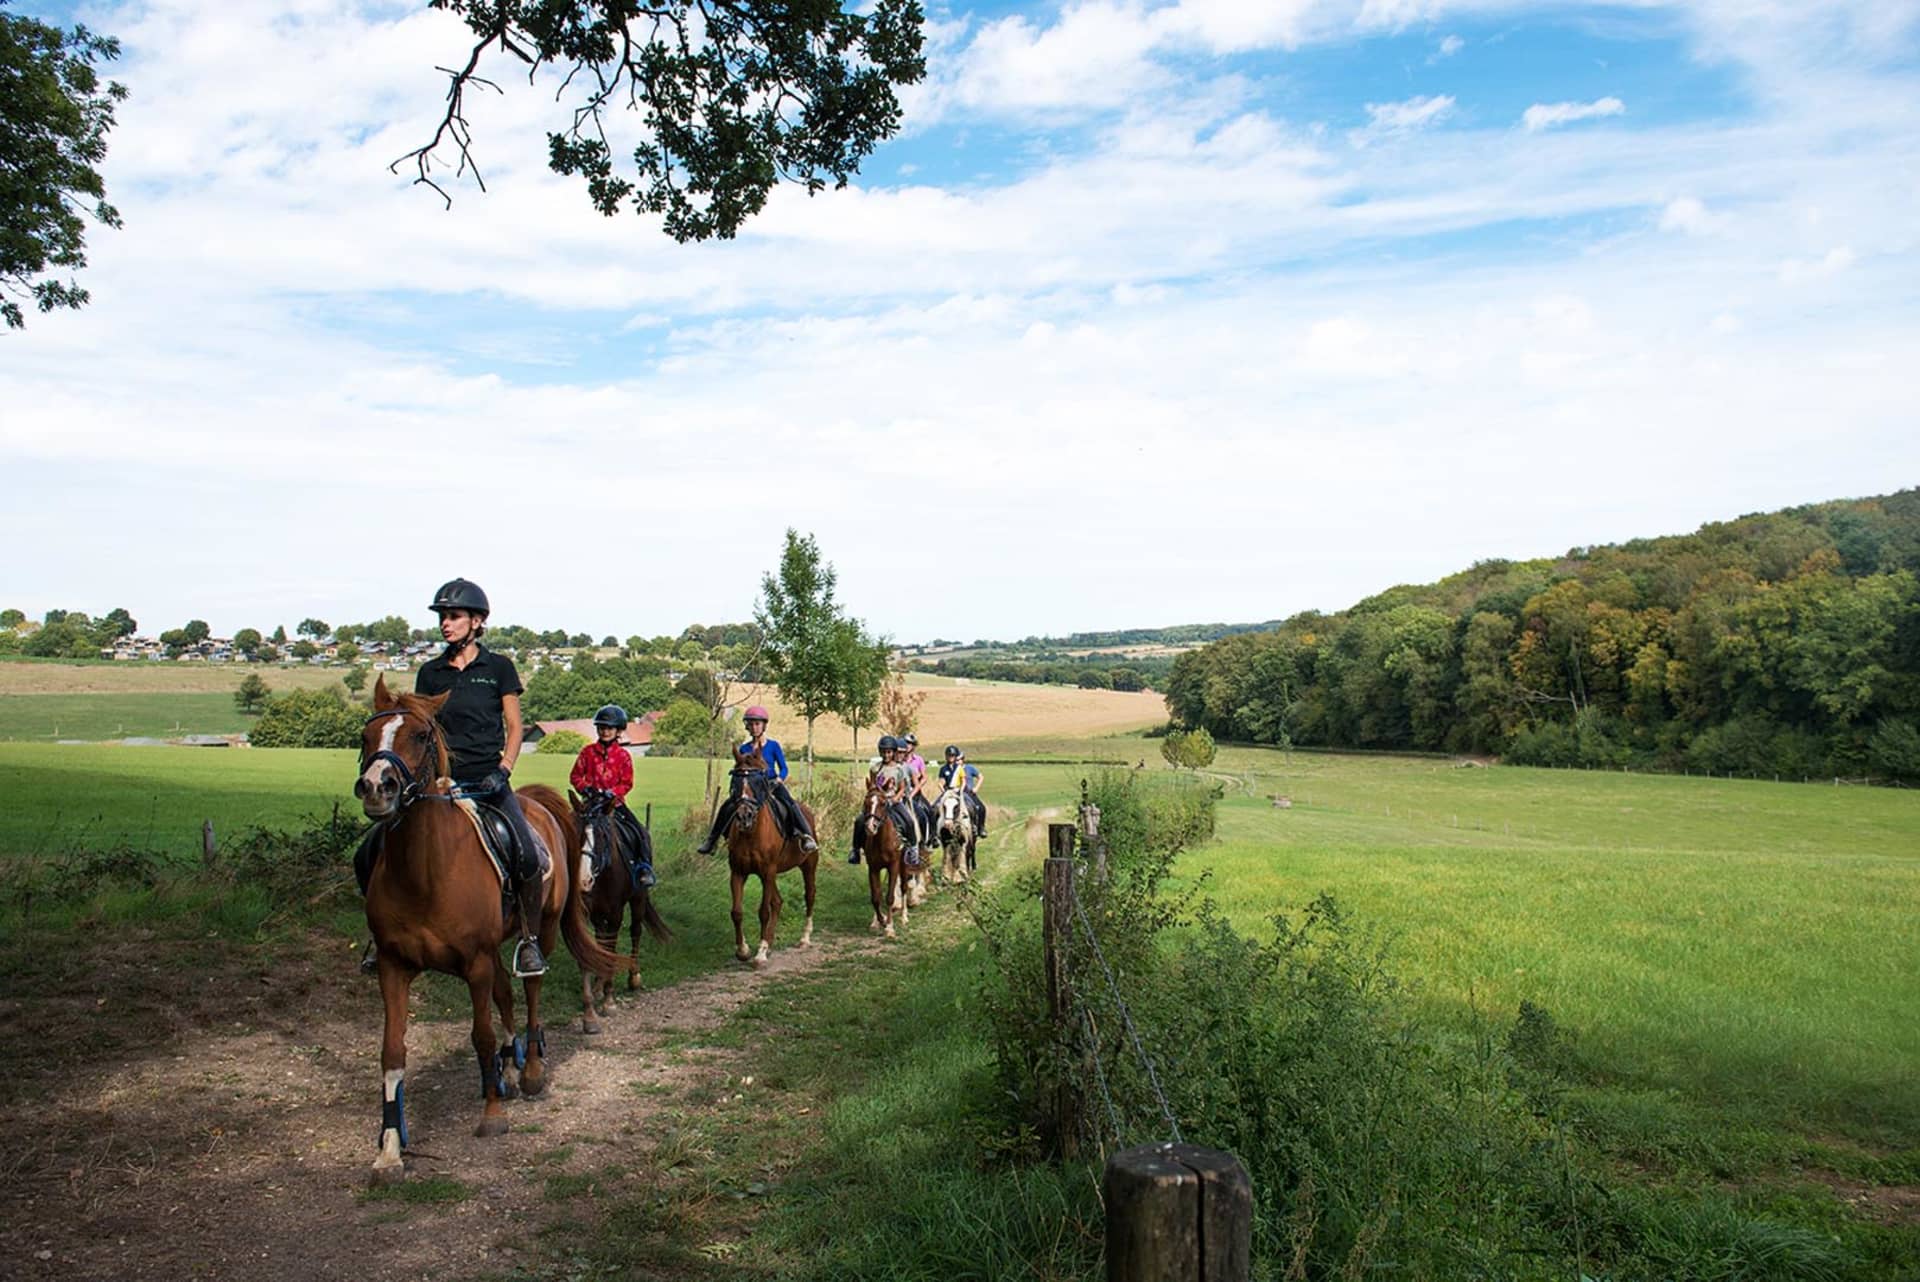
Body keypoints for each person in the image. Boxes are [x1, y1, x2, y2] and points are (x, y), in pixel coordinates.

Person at [413, 577, 550, 978]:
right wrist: (434, 777)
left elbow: (514, 727)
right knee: (377, 849)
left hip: (488, 781)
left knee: (526, 854)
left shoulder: (499, 669)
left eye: (453, 616)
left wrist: (503, 771)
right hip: (442, 785)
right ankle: (385, 933)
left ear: (477, 621)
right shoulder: (431, 673)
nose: (445, 624)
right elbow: (424, 729)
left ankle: (528, 939)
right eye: (442, 617)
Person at [696, 706, 819, 855]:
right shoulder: (744, 748)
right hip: (752, 787)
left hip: (772, 784)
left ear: (764, 725)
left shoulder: (773, 746)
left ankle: (806, 836)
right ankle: (712, 840)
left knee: (790, 803)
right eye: (751, 724)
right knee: (727, 805)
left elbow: (784, 768)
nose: (754, 727)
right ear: (747, 726)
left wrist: (779, 780)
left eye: (757, 724)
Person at [569, 703, 655, 889]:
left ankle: (644, 869)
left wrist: (612, 793)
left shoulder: (623, 756)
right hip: (590, 805)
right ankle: (566, 869)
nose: (605, 731)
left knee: (639, 832)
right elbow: (575, 776)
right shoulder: (587, 753)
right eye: (601, 727)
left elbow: (627, 782)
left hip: (614, 805)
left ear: (618, 731)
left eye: (609, 728)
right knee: (569, 829)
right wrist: (586, 789)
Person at [939, 744, 987, 838]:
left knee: (980, 807)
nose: (958, 761)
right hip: (949, 792)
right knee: (935, 807)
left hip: (967, 791)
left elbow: (979, 777)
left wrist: (976, 788)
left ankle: (979, 827)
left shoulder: (968, 768)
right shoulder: (945, 769)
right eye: (957, 759)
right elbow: (941, 782)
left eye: (959, 759)